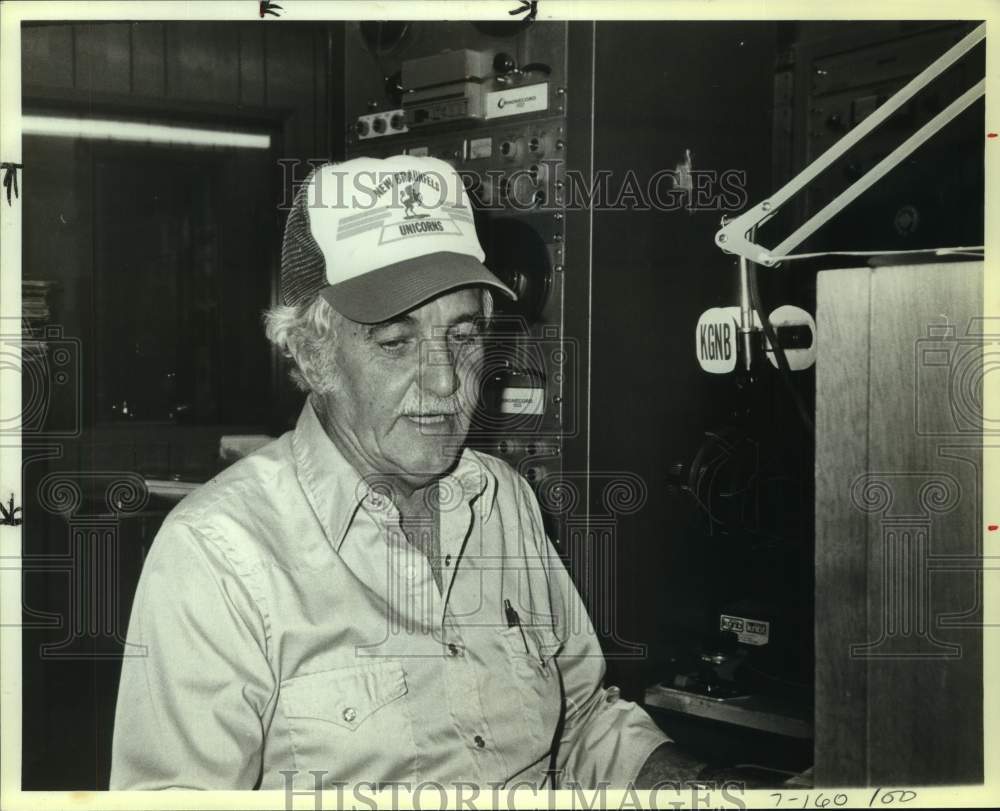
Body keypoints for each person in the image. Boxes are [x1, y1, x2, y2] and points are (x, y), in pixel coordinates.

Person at [110, 155, 704, 791]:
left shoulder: (503, 498)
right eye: (396, 343)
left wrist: (698, 788)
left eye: (464, 336)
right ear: (313, 356)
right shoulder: (218, 553)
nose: (445, 381)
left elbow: (580, 722)